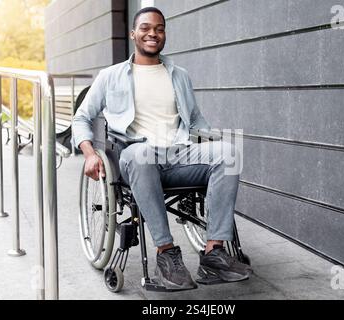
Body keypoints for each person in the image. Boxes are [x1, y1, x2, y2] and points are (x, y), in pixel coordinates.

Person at [72, 7, 252, 291]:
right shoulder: (111, 76)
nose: (152, 33)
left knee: (229, 152)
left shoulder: (179, 75)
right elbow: (82, 117)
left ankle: (214, 253)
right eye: (145, 28)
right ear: (133, 34)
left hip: (178, 154)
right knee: (140, 155)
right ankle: (166, 253)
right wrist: (90, 153)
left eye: (159, 28)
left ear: (164, 34)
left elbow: (194, 119)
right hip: (136, 154)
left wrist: (212, 141)